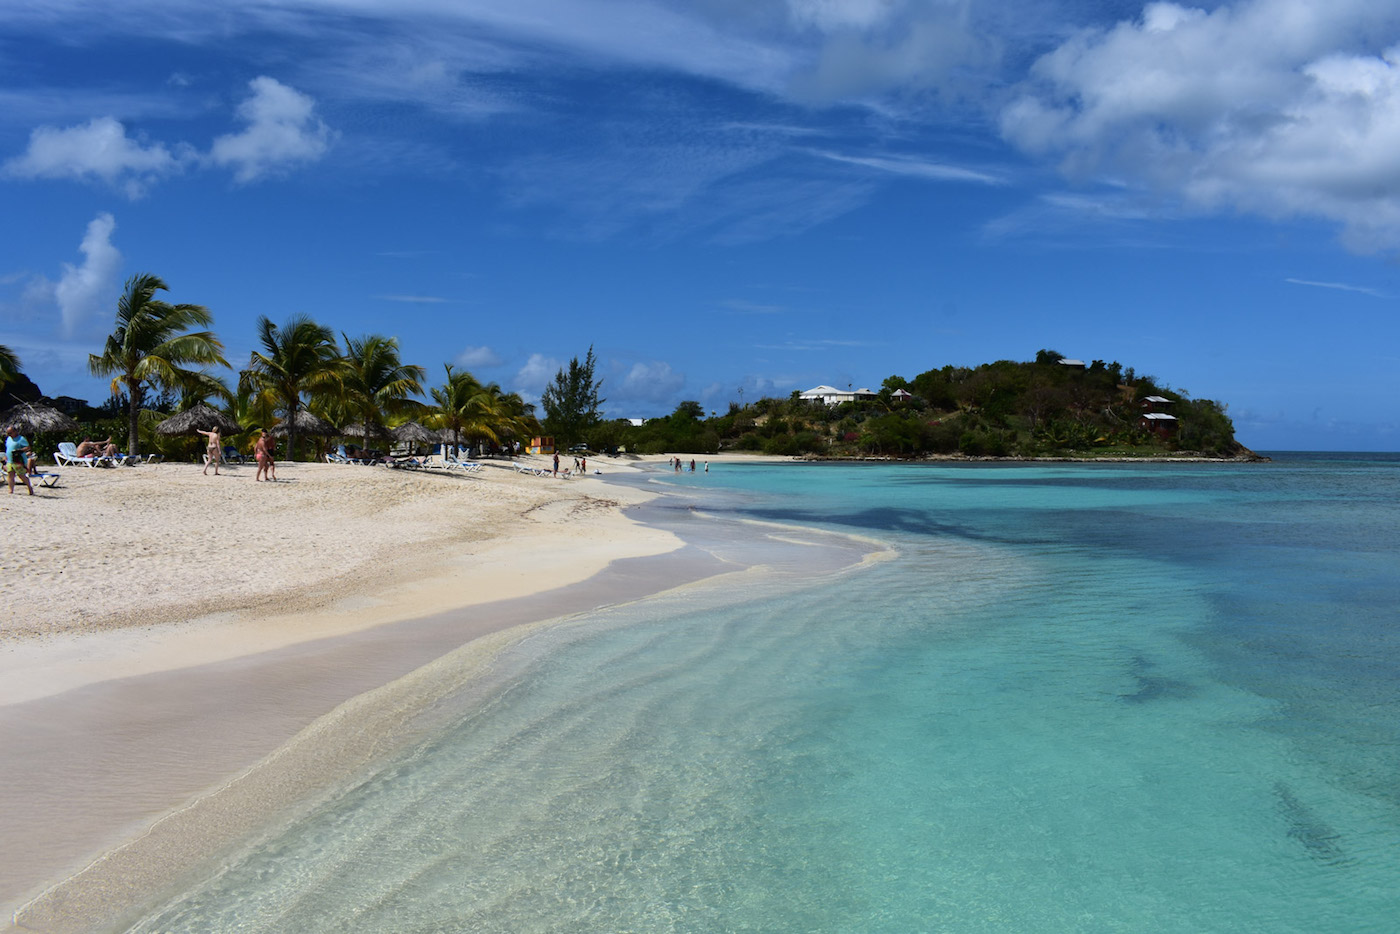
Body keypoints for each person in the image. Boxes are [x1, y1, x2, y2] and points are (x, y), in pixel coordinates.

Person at [4, 425, 34, 496]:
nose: (9, 435)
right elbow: (8, 448)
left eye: (10, 433)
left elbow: (28, 447)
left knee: (21, 475)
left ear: (15, 432)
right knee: (10, 474)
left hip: (18, 460)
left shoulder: (21, 439)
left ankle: (29, 487)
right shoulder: (8, 439)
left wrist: (19, 450)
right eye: (8, 433)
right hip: (10, 460)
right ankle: (11, 490)